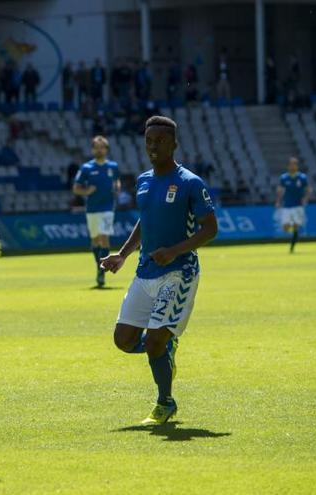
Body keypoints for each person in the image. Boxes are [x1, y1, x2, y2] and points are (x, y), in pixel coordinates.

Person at [100, 116, 218, 426]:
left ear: (174, 144)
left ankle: (165, 402)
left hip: (179, 272)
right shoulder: (143, 180)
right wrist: (123, 254)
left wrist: (175, 251)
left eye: (160, 141)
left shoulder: (190, 182)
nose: (153, 146)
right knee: (123, 340)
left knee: (153, 341)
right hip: (145, 271)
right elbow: (145, 221)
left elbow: (210, 229)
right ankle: (166, 347)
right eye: (149, 141)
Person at [72, 135, 120, 288]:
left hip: (107, 208)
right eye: (96, 147)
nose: (99, 150)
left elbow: (117, 180)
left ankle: (102, 270)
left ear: (106, 149)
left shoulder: (113, 166)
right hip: (92, 209)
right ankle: (99, 265)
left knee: (104, 238)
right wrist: (87, 192)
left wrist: (117, 187)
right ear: (92, 149)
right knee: (95, 241)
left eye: (102, 147)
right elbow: (76, 188)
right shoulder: (87, 168)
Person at [275, 157, 311, 253]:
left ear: (297, 166)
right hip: (287, 205)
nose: (293, 166)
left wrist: (306, 199)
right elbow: (279, 190)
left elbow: (308, 189)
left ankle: (292, 248)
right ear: (288, 166)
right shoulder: (283, 177)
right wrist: (278, 201)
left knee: (296, 227)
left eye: (295, 164)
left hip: (298, 206)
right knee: (285, 228)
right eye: (291, 164)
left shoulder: (302, 177)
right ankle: (292, 225)